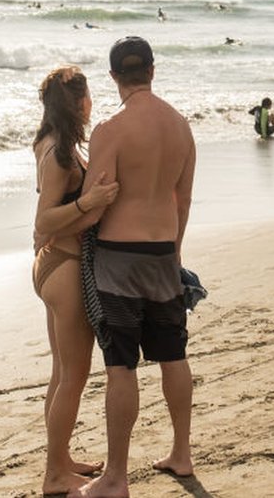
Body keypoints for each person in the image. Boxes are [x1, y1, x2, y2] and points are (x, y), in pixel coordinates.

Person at [71, 36, 197, 497]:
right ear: (152, 71)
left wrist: (54, 225)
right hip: (164, 253)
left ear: (113, 78)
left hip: (118, 262)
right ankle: (181, 453)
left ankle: (116, 477)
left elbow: (95, 206)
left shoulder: (110, 129)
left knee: (121, 366)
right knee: (174, 356)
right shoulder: (181, 126)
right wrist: (175, 251)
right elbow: (182, 200)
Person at [32, 65, 119, 495]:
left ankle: (60, 458)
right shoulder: (61, 155)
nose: (92, 103)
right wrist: (90, 201)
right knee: (75, 375)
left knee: (60, 372)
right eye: (87, 96)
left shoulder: (51, 143)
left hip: (52, 264)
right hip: (63, 269)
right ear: (76, 102)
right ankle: (54, 474)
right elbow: (44, 218)